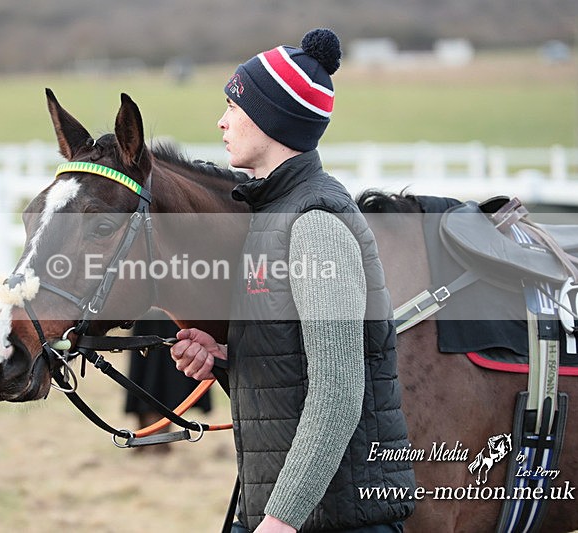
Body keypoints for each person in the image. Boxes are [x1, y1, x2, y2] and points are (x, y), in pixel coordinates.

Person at [170, 29, 416, 532]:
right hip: (290, 513)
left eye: (233, 108)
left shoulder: (316, 225)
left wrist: (279, 523)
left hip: (333, 520)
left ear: (271, 119)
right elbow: (295, 368)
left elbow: (339, 392)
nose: (221, 121)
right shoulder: (272, 215)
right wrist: (227, 361)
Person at [124, 308, 211, 454]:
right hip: (148, 314)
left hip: (174, 313)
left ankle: (160, 440)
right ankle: (143, 437)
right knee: (146, 373)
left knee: (169, 375)